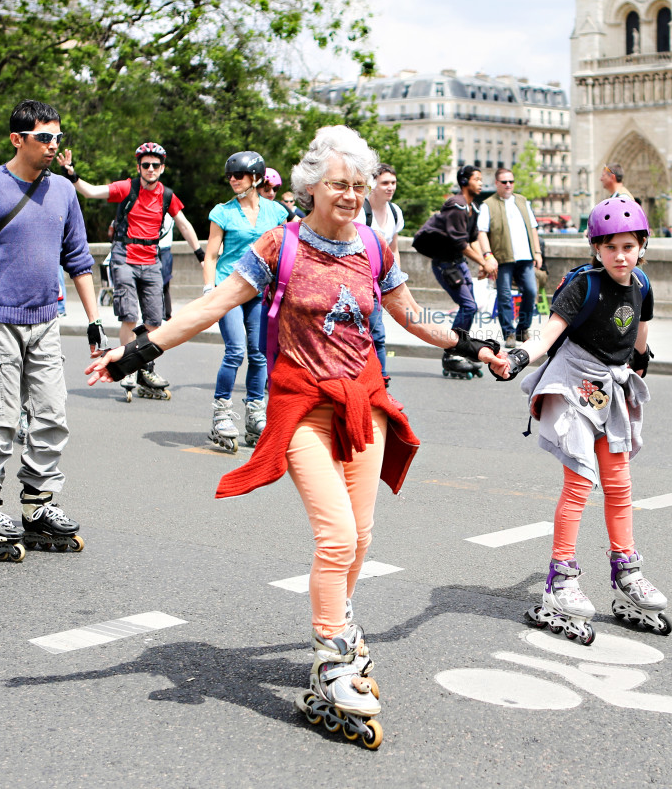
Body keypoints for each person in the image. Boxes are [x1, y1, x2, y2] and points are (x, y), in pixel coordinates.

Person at [84, 124, 503, 748]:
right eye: (339, 184)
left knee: (361, 535)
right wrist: (133, 353)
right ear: (310, 186)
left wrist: (475, 342)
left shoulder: (372, 247)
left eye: (359, 185)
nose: (352, 194)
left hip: (365, 405)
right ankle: (332, 655)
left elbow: (412, 318)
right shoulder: (279, 244)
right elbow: (210, 306)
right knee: (334, 534)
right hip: (303, 405)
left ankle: (343, 620)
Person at [488, 196, 670, 642]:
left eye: (629, 246)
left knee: (619, 482)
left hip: (610, 384)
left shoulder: (641, 283)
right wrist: (515, 358)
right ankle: (561, 581)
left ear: (642, 246)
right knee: (579, 482)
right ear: (596, 249)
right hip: (575, 381)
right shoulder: (582, 286)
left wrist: (642, 359)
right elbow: (547, 334)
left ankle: (626, 572)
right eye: (610, 248)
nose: (620, 256)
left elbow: (640, 329)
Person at [0, 99, 107, 562]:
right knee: (1, 417)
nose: (53, 146)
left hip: (46, 320)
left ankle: (37, 504)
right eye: (43, 137)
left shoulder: (64, 193)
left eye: (57, 137)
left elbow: (78, 260)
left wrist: (93, 320)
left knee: (52, 415)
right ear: (18, 139)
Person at [64, 141, 205, 400]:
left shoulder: (167, 195)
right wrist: (72, 174)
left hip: (152, 260)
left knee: (154, 320)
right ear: (139, 167)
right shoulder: (127, 187)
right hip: (125, 256)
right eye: (145, 165)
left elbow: (184, 225)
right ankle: (127, 367)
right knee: (129, 315)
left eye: (155, 165)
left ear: (162, 168)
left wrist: (200, 255)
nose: (150, 169)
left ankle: (146, 368)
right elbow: (92, 192)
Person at [202, 151, 288, 452]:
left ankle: (254, 414)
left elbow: (284, 249)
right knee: (236, 351)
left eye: (238, 175)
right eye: (230, 176)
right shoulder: (222, 212)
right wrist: (208, 289)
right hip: (229, 288)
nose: (233, 181)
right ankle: (222, 414)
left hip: (260, 292)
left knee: (259, 354)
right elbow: (211, 254)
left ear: (255, 178)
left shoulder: (276, 212)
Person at [430, 165, 492, 378]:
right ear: (465, 181)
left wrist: (484, 261)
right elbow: (458, 242)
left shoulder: (472, 207)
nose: (481, 183)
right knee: (468, 305)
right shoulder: (455, 205)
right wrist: (484, 263)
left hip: (458, 263)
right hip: (445, 263)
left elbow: (472, 240)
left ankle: (460, 350)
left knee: (471, 307)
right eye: (477, 179)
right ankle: (451, 354)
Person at [477, 167, 543, 349]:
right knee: (504, 296)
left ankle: (523, 329)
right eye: (504, 182)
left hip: (525, 256)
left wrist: (537, 252)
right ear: (496, 183)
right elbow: (481, 232)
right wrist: (487, 256)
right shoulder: (487, 205)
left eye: (511, 182)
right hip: (502, 257)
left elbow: (533, 228)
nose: (508, 185)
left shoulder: (522, 201)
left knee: (530, 291)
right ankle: (509, 332)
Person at [360, 164, 403, 384]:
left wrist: (398, 282)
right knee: (363, 334)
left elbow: (393, 249)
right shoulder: (361, 211)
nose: (390, 187)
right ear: (373, 184)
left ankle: (381, 379)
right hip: (360, 282)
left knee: (378, 334)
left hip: (380, 281)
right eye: (385, 183)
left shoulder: (395, 211)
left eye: (393, 183)